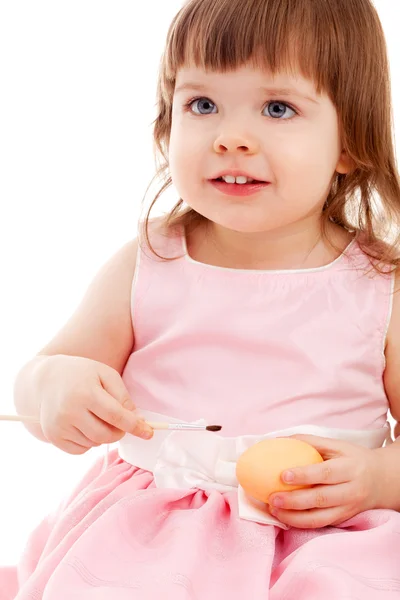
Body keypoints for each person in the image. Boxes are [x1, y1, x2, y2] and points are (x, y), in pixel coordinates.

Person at [3, 0, 400, 597]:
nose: (231, 138)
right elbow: (42, 376)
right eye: (203, 104)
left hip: (327, 537)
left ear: (350, 142)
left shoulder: (379, 284)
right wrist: (56, 388)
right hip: (149, 537)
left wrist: (375, 479)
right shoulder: (151, 261)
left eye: (277, 107)